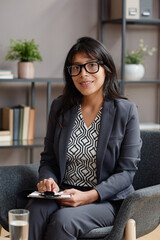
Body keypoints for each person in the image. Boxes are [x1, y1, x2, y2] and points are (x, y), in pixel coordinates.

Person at [26, 36, 142, 240]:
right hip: (63, 192)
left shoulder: (126, 111)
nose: (83, 74)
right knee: (34, 212)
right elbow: (49, 160)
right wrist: (49, 182)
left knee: (63, 221)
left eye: (91, 66)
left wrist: (89, 196)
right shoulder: (60, 107)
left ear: (106, 68)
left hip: (106, 200)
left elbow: (126, 172)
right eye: (76, 68)